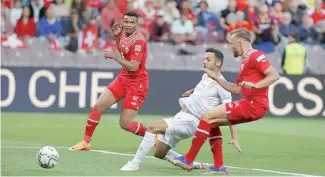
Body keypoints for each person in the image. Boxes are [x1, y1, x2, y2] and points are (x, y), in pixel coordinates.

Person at [172, 28, 280, 173]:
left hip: (253, 105)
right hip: (250, 104)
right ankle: (219, 167)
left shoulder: (255, 55)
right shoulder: (245, 61)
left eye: (231, 43)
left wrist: (256, 85)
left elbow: (274, 75)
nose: (230, 47)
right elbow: (236, 89)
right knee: (212, 122)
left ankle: (188, 159)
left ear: (240, 43)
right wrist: (215, 77)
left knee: (206, 116)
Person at [119, 48, 242, 172]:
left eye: (208, 59)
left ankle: (134, 164)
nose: (204, 61)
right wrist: (192, 91)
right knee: (159, 153)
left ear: (218, 63)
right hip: (181, 116)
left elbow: (230, 111)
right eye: (204, 59)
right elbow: (203, 89)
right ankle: (193, 164)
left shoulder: (223, 85)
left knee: (152, 128)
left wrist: (234, 137)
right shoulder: (206, 76)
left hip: (192, 121)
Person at [69, 11, 149, 151]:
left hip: (137, 84)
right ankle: (85, 142)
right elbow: (123, 50)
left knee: (125, 124)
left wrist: (115, 57)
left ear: (137, 24)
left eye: (132, 23)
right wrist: (118, 37)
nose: (128, 25)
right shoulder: (123, 33)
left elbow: (134, 66)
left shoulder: (139, 41)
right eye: (126, 22)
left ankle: (153, 135)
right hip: (123, 78)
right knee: (98, 106)